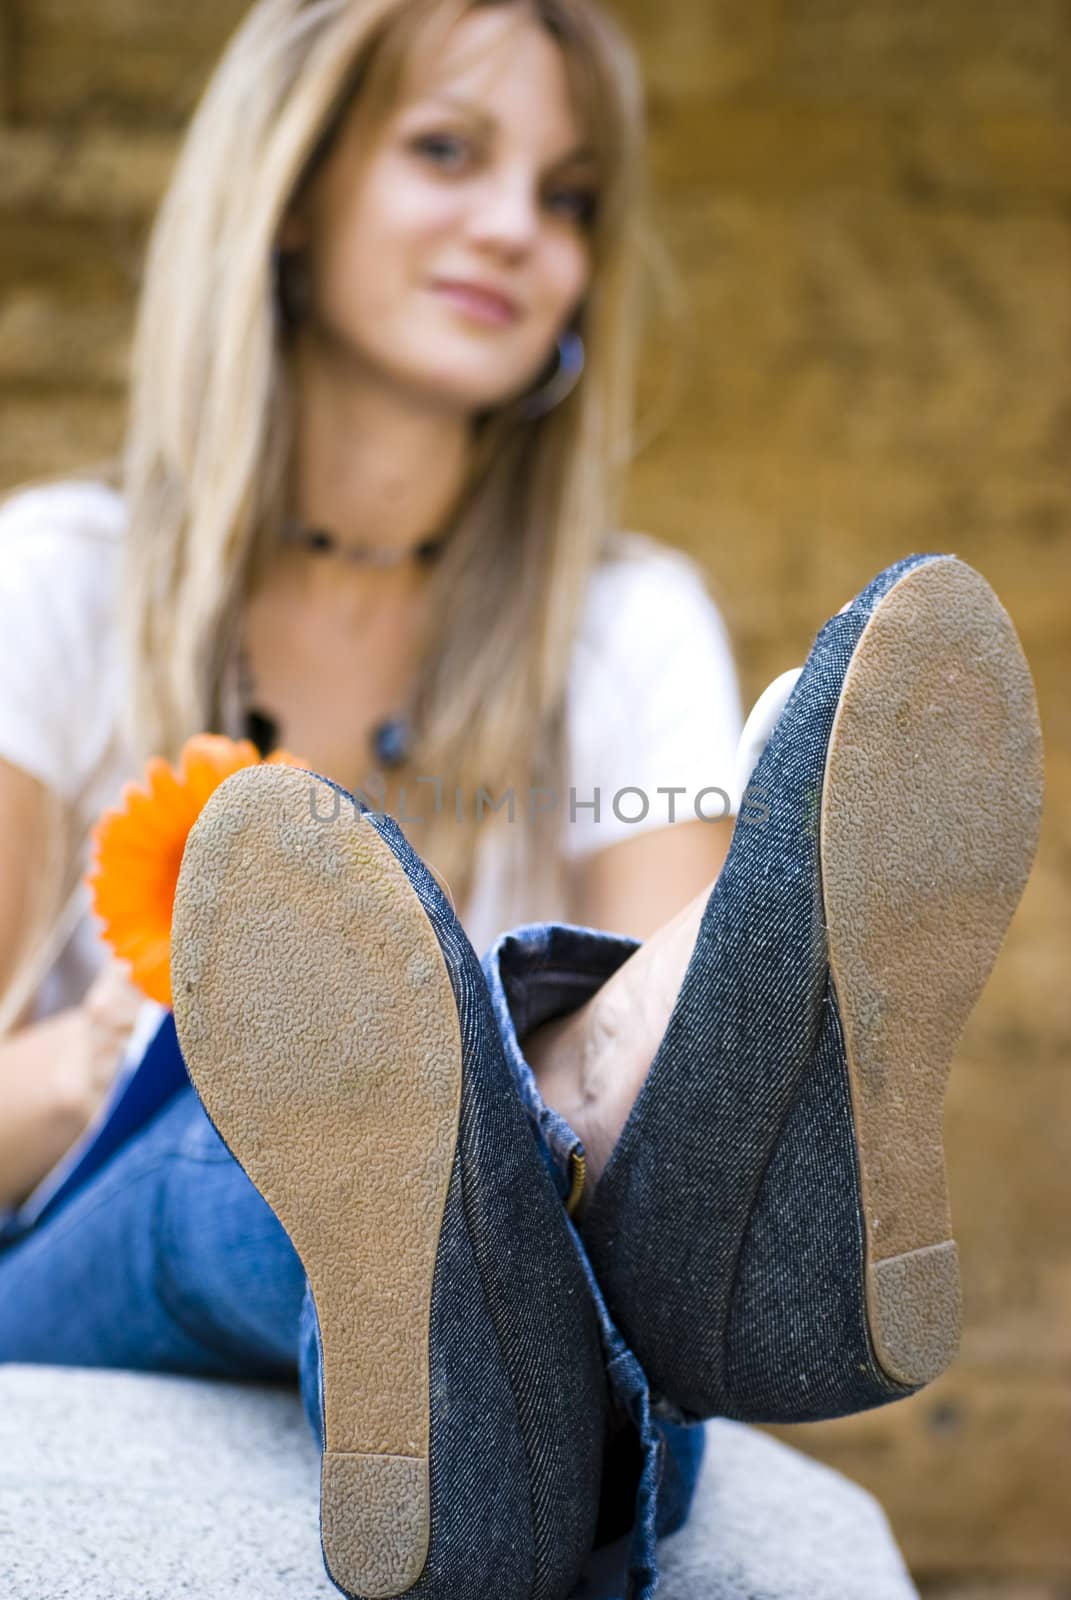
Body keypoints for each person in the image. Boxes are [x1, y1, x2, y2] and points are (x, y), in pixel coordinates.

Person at [0, 1, 1045, 1597]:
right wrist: (104, 1069)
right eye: (447, 152)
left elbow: (678, 1149)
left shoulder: (625, 622)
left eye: (567, 197)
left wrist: (565, 1092)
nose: (518, 232)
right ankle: (579, 1076)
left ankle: (543, 1243)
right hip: (102, 1256)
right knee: (311, 1084)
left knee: (624, 1158)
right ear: (286, 192)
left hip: (523, 1253)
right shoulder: (56, 581)